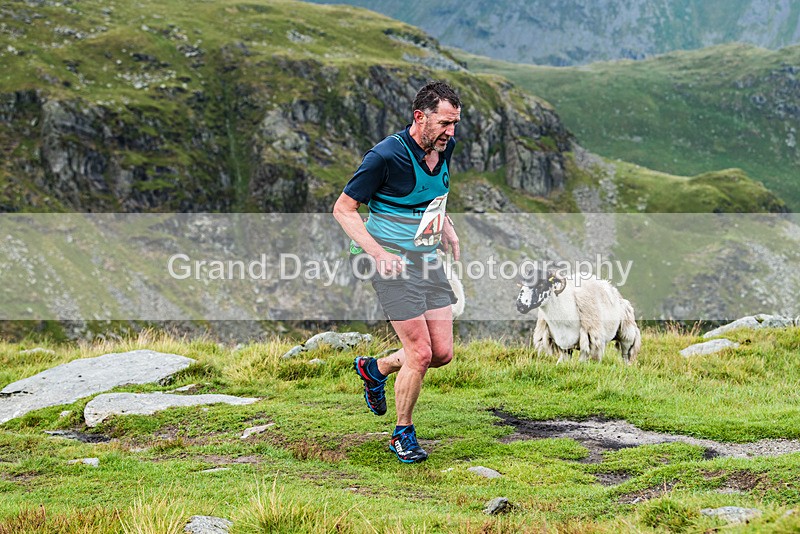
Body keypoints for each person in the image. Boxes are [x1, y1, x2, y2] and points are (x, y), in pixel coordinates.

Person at [332, 81, 462, 463]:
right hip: (391, 263)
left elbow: (433, 195)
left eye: (455, 124)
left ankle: (376, 369)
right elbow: (343, 209)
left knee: (442, 353)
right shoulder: (384, 156)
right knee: (419, 353)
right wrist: (378, 253)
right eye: (444, 123)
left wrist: (447, 225)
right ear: (420, 117)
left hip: (427, 260)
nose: (451, 132)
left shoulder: (444, 147)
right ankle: (402, 433)